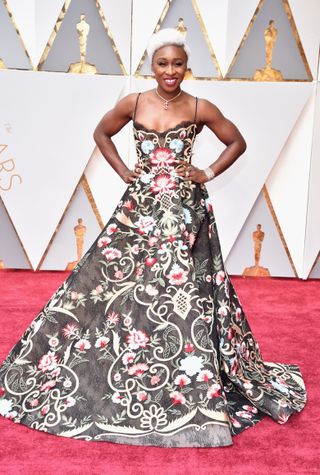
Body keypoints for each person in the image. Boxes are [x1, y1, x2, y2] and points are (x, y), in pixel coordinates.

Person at [0, 28, 306, 447]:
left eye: (177, 64)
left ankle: (185, 375)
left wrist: (207, 173)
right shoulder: (134, 102)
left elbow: (237, 141)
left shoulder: (199, 106)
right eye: (163, 64)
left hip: (184, 211)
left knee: (179, 284)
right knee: (116, 282)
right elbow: (101, 134)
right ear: (151, 66)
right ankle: (133, 361)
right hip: (139, 208)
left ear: (186, 67)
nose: (170, 71)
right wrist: (125, 171)